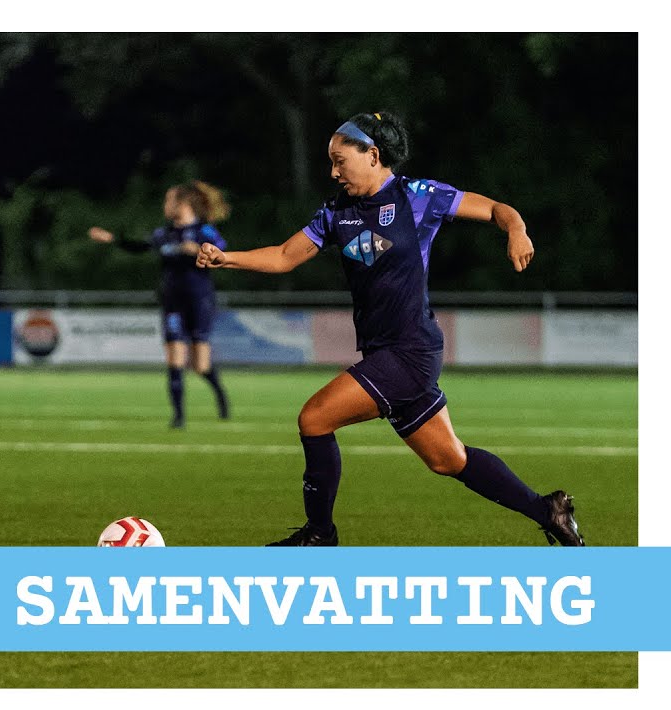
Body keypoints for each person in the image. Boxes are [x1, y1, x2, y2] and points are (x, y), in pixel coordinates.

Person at [196, 111, 584, 547]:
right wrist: (227, 258)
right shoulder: (335, 213)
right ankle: (548, 510)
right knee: (448, 459)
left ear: (373, 154)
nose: (333, 171)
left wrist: (517, 229)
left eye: (340, 160)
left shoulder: (417, 196)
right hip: (387, 354)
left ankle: (319, 535)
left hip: (409, 352)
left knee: (315, 418)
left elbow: (495, 209)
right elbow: (286, 255)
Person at [88, 182, 232, 428]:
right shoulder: (163, 234)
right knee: (175, 358)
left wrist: (197, 250)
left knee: (200, 365)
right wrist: (112, 238)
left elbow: (224, 252)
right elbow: (140, 246)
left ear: (183, 203)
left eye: (169, 200)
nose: (165, 206)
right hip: (172, 302)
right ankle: (178, 417)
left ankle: (220, 395)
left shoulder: (203, 230)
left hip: (200, 301)